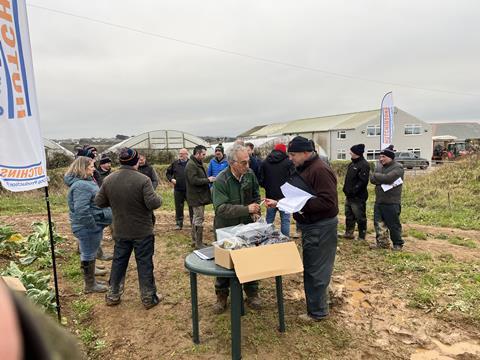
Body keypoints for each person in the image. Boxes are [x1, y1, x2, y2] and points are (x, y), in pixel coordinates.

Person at [265, 136, 338, 322]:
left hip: (320, 227)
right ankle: (321, 302)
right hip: (312, 225)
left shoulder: (320, 170)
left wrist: (300, 205)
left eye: (293, 154)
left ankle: (317, 312)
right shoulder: (307, 168)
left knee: (315, 269)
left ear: (307, 152)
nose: (290, 158)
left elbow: (328, 203)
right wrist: (281, 203)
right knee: (316, 267)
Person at [95, 148, 163, 309]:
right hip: (142, 230)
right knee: (144, 263)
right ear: (135, 162)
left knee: (119, 262)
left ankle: (113, 295)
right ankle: (148, 297)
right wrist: (159, 198)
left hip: (120, 229)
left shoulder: (109, 179)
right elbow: (153, 203)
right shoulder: (143, 180)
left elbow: (99, 202)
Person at [212, 144, 262, 314]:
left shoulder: (249, 175)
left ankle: (252, 292)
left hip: (247, 227)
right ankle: (221, 295)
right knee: (225, 264)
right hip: (226, 228)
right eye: (243, 163)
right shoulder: (221, 180)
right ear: (232, 163)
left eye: (248, 162)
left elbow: (256, 194)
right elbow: (221, 208)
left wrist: (256, 211)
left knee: (250, 259)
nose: (247, 166)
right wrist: (246, 209)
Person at [64, 156, 112, 294]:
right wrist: (92, 225)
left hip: (91, 225)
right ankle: (90, 285)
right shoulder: (81, 186)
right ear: (83, 169)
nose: (94, 169)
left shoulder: (85, 182)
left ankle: (92, 278)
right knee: (88, 253)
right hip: (88, 227)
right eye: (91, 166)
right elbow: (82, 209)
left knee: (89, 252)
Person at [370, 145, 405, 251]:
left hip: (392, 202)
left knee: (393, 224)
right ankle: (382, 243)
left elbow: (389, 178)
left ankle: (397, 244)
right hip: (379, 200)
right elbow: (371, 179)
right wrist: (380, 178)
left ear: (390, 157)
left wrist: (377, 177)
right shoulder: (379, 166)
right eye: (380, 157)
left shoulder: (398, 167)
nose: (381, 159)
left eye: (383, 157)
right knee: (379, 224)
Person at [259, 143, 294, 237]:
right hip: (285, 197)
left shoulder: (265, 162)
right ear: (284, 151)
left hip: (270, 196)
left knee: (269, 220)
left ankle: (266, 239)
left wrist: (267, 187)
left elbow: (261, 180)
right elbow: (293, 179)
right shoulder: (288, 162)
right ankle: (285, 241)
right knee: (285, 220)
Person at [185, 145, 214, 249]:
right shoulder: (191, 165)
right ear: (197, 153)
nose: (204, 156)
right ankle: (198, 243)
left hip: (199, 195)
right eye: (203, 154)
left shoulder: (197, 163)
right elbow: (193, 180)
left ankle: (195, 241)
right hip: (196, 196)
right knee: (199, 218)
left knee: (196, 218)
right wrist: (208, 180)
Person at [341, 144, 370, 240]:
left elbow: (363, 181)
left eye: (351, 152)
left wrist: (354, 191)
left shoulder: (364, 165)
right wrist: (345, 189)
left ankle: (362, 236)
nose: (350, 153)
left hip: (358, 197)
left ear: (357, 153)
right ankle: (349, 233)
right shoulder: (352, 164)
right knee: (349, 215)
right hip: (349, 196)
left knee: (359, 216)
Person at [166, 148, 193, 230]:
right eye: (180, 153)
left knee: (192, 207)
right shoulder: (175, 164)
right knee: (178, 207)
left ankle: (193, 223)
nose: (180, 155)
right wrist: (171, 179)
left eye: (182, 153)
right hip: (178, 189)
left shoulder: (191, 163)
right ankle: (179, 224)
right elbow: (168, 173)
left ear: (187, 154)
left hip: (189, 189)